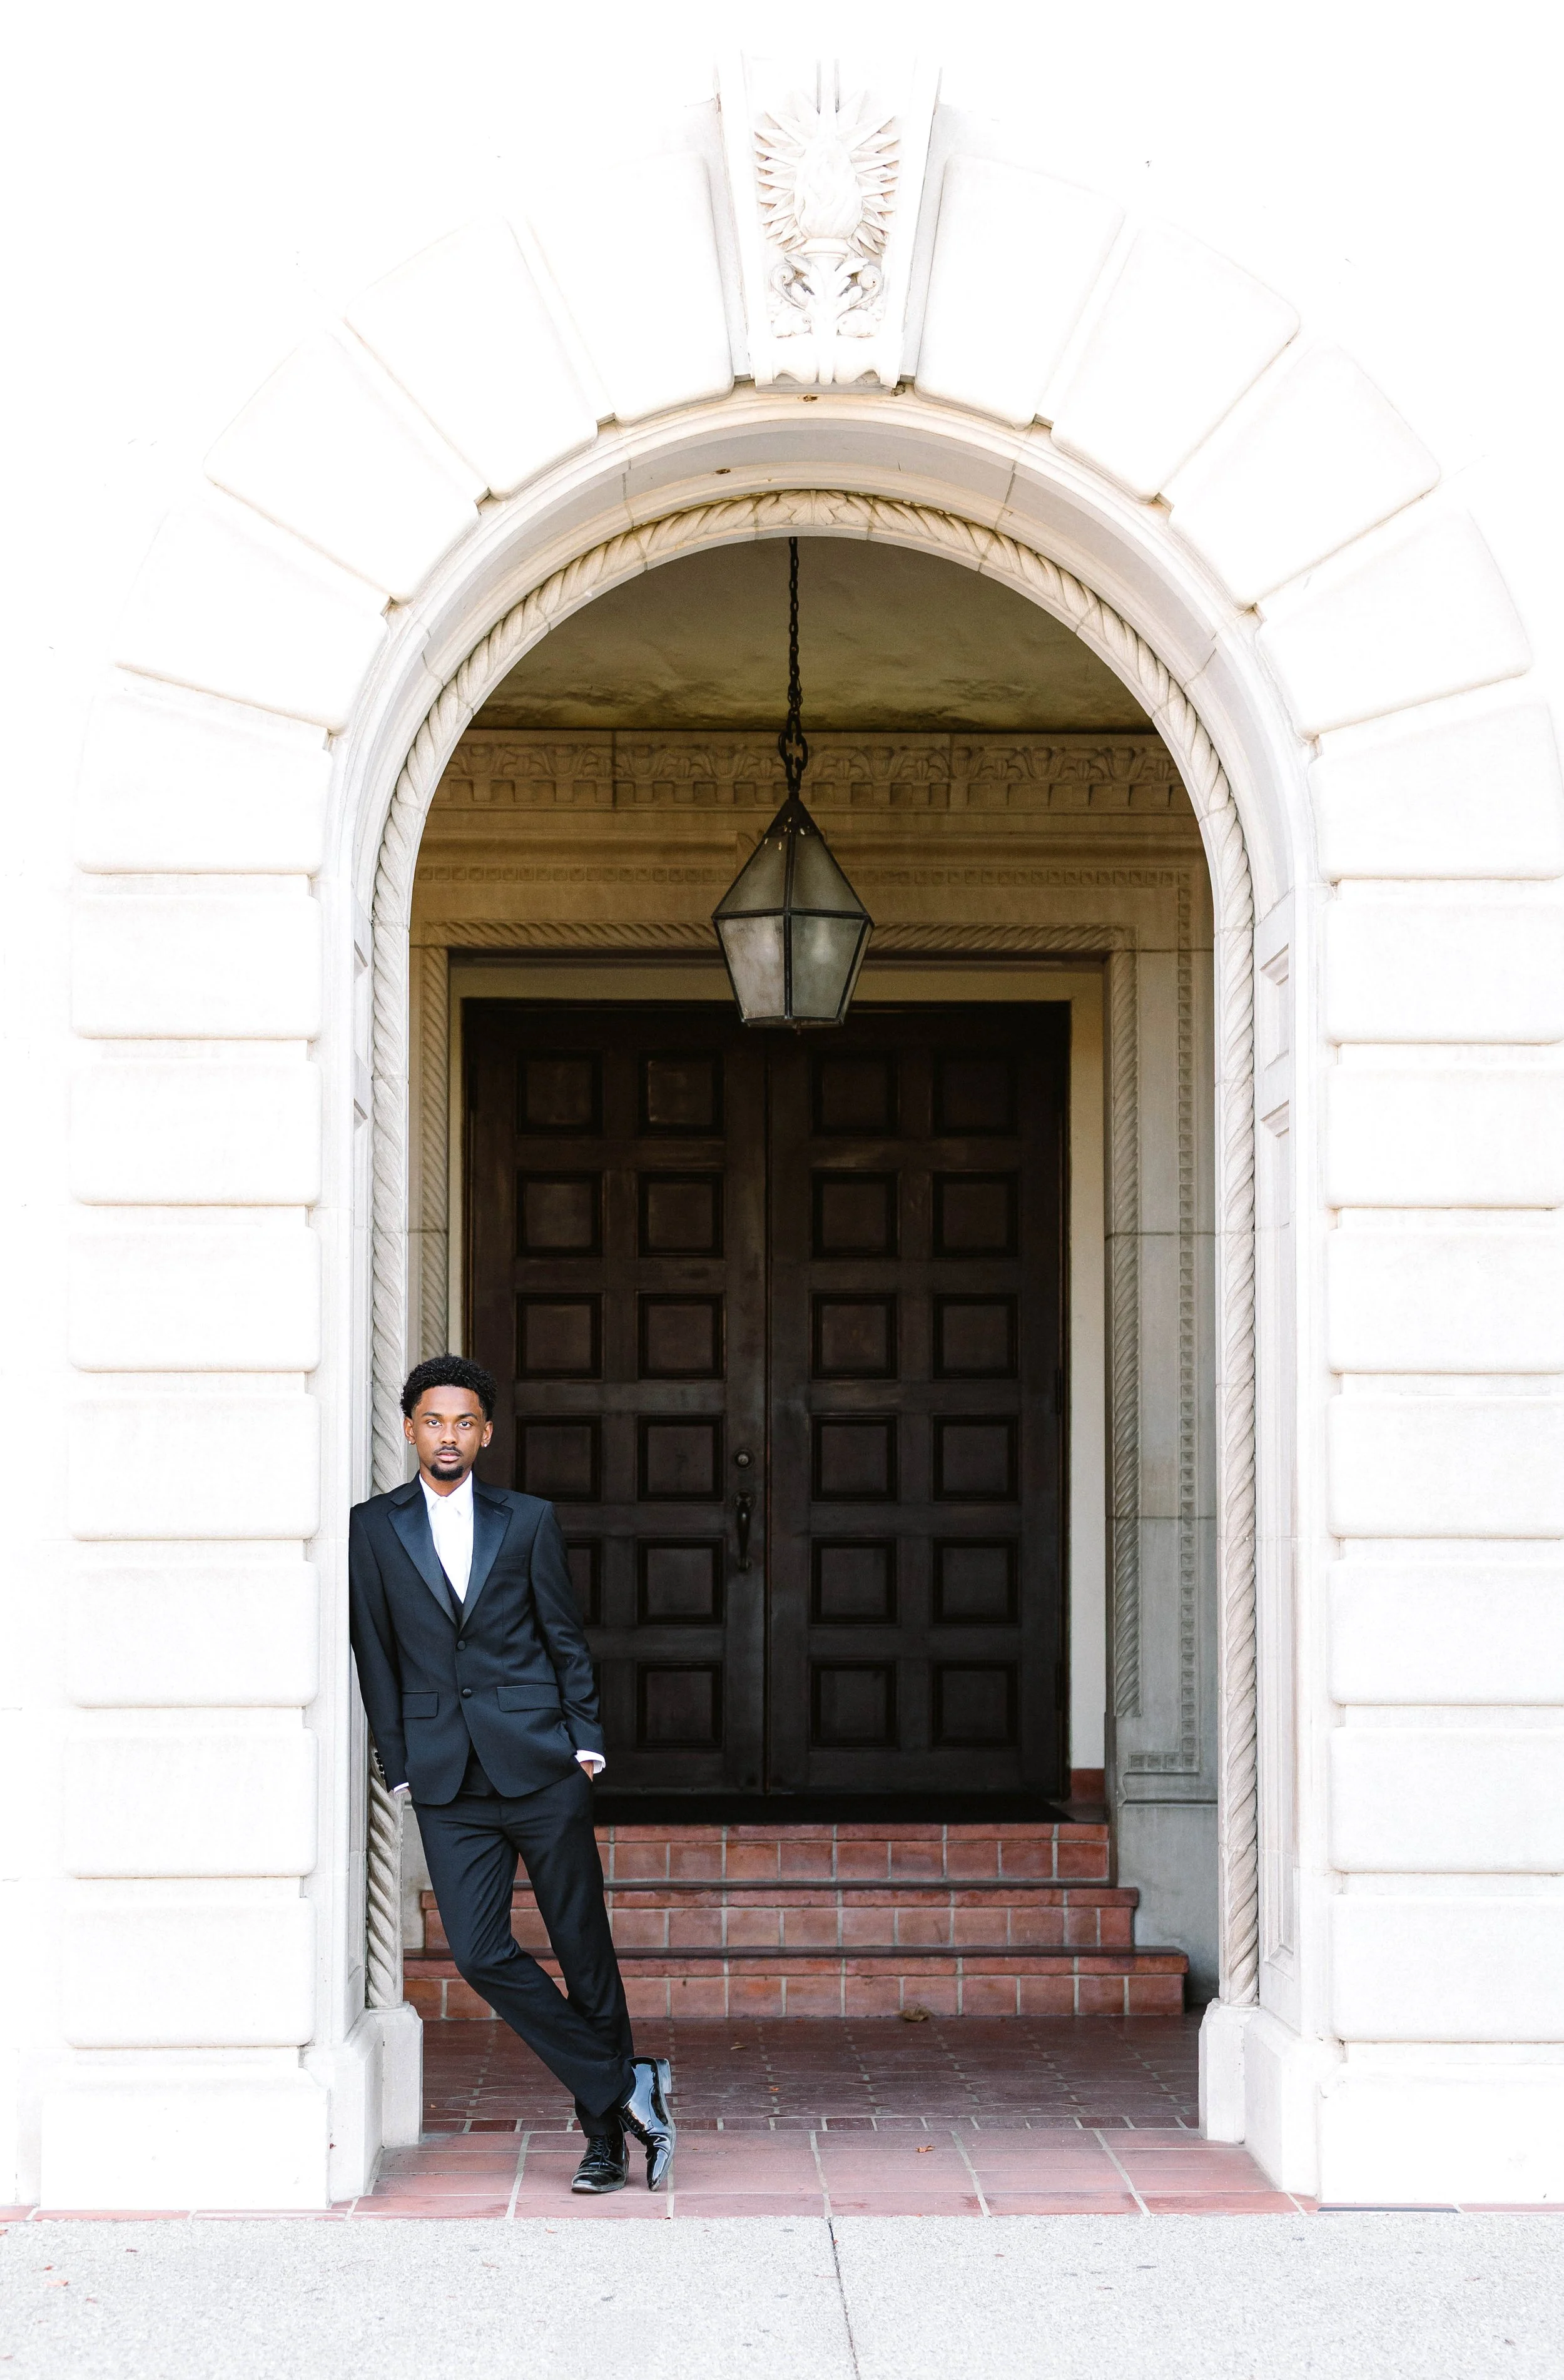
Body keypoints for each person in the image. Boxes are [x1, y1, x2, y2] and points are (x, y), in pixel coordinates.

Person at [348, 1353, 674, 2194]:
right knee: (482, 1952)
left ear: (485, 1434)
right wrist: (398, 1761)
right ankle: (624, 2084)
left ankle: (604, 2141)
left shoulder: (526, 1519)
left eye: (464, 1423)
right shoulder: (371, 1528)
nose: (448, 1436)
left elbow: (563, 1635)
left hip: (540, 1764)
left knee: (582, 1950)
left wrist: (585, 1741)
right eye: (433, 1421)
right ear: (410, 1428)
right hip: (445, 1778)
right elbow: (375, 1655)